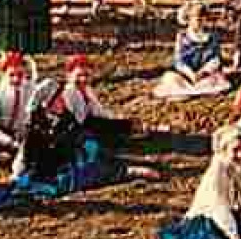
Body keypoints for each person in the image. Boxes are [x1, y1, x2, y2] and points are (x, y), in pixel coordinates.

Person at [12, 78, 156, 195]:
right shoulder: (36, 129)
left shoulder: (63, 116)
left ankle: (122, 165)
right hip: (48, 173)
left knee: (93, 148)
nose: (62, 100)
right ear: (48, 104)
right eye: (58, 98)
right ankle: (126, 172)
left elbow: (76, 132)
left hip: (64, 160)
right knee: (89, 172)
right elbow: (35, 161)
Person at [153, 0, 232, 99]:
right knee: (171, 78)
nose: (200, 22)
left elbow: (215, 58)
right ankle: (184, 90)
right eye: (197, 19)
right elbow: (179, 60)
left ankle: (201, 89)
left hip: (205, 74)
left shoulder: (212, 37)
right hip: (186, 74)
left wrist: (203, 71)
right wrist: (190, 74)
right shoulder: (183, 37)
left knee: (216, 79)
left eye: (203, 19)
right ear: (189, 19)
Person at [61, 54, 134, 145]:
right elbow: (75, 118)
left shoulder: (87, 90)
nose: (83, 79)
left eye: (86, 75)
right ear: (70, 76)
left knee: (123, 124)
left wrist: (113, 118)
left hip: (90, 121)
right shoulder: (69, 92)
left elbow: (99, 110)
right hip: (79, 126)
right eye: (79, 76)